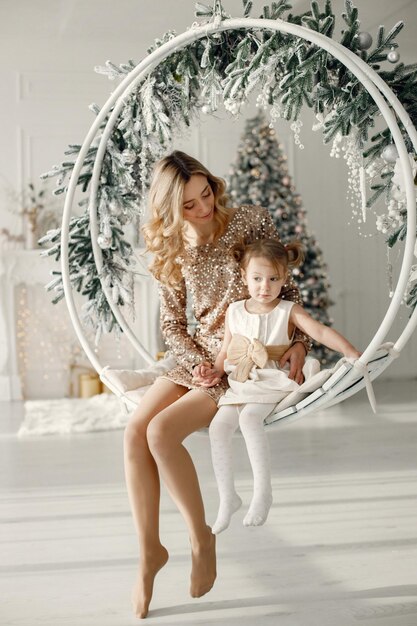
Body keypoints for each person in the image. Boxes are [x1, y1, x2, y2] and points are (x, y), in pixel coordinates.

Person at [124, 151, 310, 619]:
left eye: (205, 193)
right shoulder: (171, 249)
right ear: (169, 209)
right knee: (133, 433)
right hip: (197, 360)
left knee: (160, 434)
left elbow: (287, 292)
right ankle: (149, 552)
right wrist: (198, 363)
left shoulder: (249, 222)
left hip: (240, 361)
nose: (204, 207)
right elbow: (171, 325)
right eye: (189, 204)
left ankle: (199, 536)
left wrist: (300, 343)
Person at [195, 238, 361, 535]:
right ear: (244, 277)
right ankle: (227, 497)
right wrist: (214, 372)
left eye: (273, 279)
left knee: (248, 419)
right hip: (241, 380)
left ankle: (262, 492)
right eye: (257, 279)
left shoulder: (288, 310)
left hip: (272, 379)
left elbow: (319, 331)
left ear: (285, 278)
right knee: (219, 427)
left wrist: (351, 353)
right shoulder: (234, 311)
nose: (264, 286)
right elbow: (225, 351)